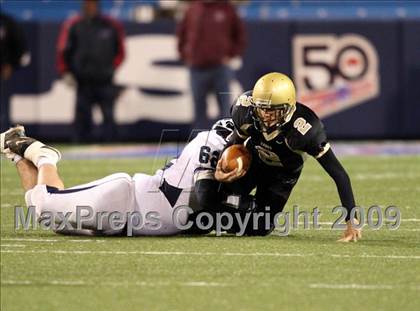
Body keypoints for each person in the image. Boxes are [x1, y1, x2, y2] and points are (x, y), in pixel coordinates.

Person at [0, 120, 241, 236]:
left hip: (127, 224)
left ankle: (16, 153)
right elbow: (201, 199)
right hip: (124, 201)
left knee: (54, 222)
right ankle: (44, 157)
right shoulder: (210, 142)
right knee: (44, 206)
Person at [215, 72, 362, 242]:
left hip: (282, 175)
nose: (265, 115)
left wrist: (351, 219)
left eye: (272, 111)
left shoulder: (306, 129)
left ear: (288, 108)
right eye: (261, 108)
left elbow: (339, 174)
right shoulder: (245, 109)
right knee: (216, 195)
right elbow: (235, 141)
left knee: (259, 228)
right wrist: (222, 165)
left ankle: (249, 209)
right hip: (253, 162)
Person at [56, 0, 125, 142]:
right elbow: (63, 50)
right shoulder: (73, 25)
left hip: (105, 80)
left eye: (92, 4)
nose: (89, 7)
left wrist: (111, 68)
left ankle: (111, 146)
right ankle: (81, 146)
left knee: (108, 117)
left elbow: (121, 51)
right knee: (82, 119)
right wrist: (65, 71)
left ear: (98, 5)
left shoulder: (111, 25)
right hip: (83, 81)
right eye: (87, 4)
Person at [177, 0, 246, 130]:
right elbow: (182, 34)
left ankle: (225, 141)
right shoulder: (193, 9)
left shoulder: (227, 8)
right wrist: (186, 55)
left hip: (220, 68)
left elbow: (240, 34)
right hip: (197, 68)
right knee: (199, 109)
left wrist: (231, 55)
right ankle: (198, 143)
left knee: (225, 108)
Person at [0, 13, 28, 132]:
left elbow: (19, 44)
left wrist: (11, 64)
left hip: (2, 71)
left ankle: (2, 137)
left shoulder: (6, 22)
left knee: (2, 107)